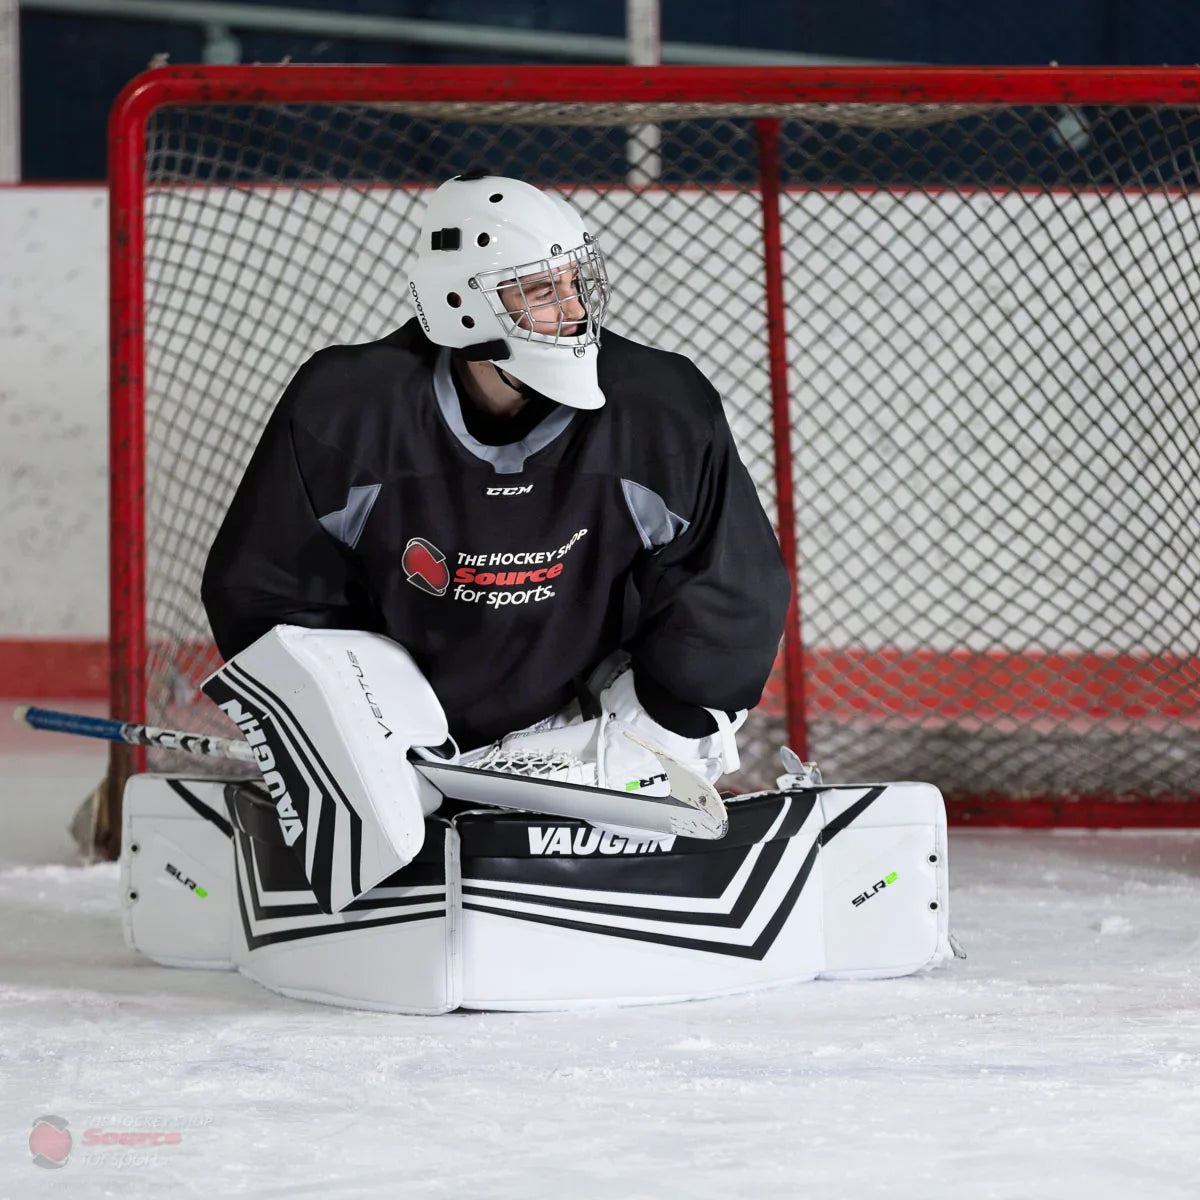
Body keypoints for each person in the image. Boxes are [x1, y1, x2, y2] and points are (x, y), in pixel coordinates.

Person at [201, 171, 790, 794]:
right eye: (539, 289)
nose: (572, 312)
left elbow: (731, 594)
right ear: (461, 302)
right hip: (401, 738)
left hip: (594, 725)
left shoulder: (660, 410)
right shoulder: (346, 413)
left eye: (574, 283)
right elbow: (268, 593)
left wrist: (663, 725)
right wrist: (348, 723)